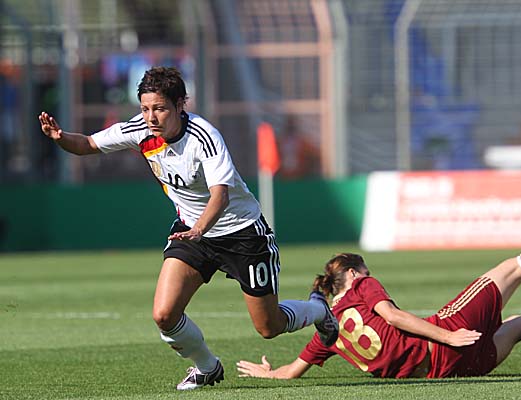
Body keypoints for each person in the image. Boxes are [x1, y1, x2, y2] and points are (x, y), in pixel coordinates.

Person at [38, 66, 338, 390]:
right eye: (145, 108)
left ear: (181, 104)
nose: (151, 117)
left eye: (160, 108)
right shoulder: (140, 130)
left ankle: (318, 309)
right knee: (164, 315)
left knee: (269, 326)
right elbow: (87, 144)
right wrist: (60, 138)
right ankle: (207, 367)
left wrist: (199, 229)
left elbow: (220, 196)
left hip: (242, 233)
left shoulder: (204, 137)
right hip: (192, 232)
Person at [237, 219, 521, 380]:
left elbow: (291, 372)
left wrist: (270, 373)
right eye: (364, 269)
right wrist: (448, 335)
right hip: (446, 345)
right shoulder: (361, 287)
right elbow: (392, 316)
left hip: (454, 371)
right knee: (513, 268)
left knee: (518, 325)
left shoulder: (326, 333)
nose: (368, 273)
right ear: (351, 273)